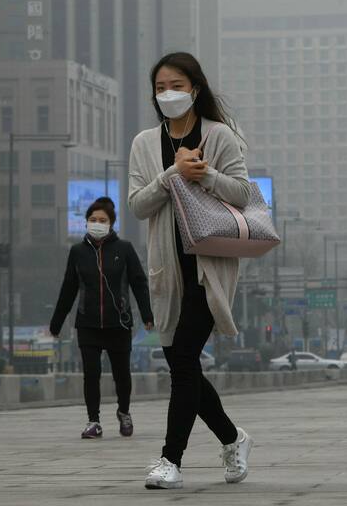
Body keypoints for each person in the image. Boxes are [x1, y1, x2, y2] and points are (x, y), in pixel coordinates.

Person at [128, 51, 254, 490]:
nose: (169, 94)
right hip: (167, 271)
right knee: (185, 369)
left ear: (195, 88)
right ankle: (233, 438)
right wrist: (172, 174)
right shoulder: (144, 143)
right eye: (161, 88)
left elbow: (243, 194)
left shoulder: (221, 136)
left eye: (177, 85)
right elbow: (138, 205)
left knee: (182, 360)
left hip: (209, 268)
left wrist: (205, 176)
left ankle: (170, 461)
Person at [49, 197, 154, 440]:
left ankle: (124, 412)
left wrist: (147, 314)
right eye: (93, 220)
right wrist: (56, 323)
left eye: (102, 220)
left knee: (122, 375)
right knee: (91, 373)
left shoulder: (124, 249)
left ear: (111, 223)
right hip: (88, 323)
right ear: (86, 222)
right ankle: (93, 421)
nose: (97, 223)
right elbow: (68, 288)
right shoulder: (77, 252)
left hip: (119, 323)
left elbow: (139, 283)